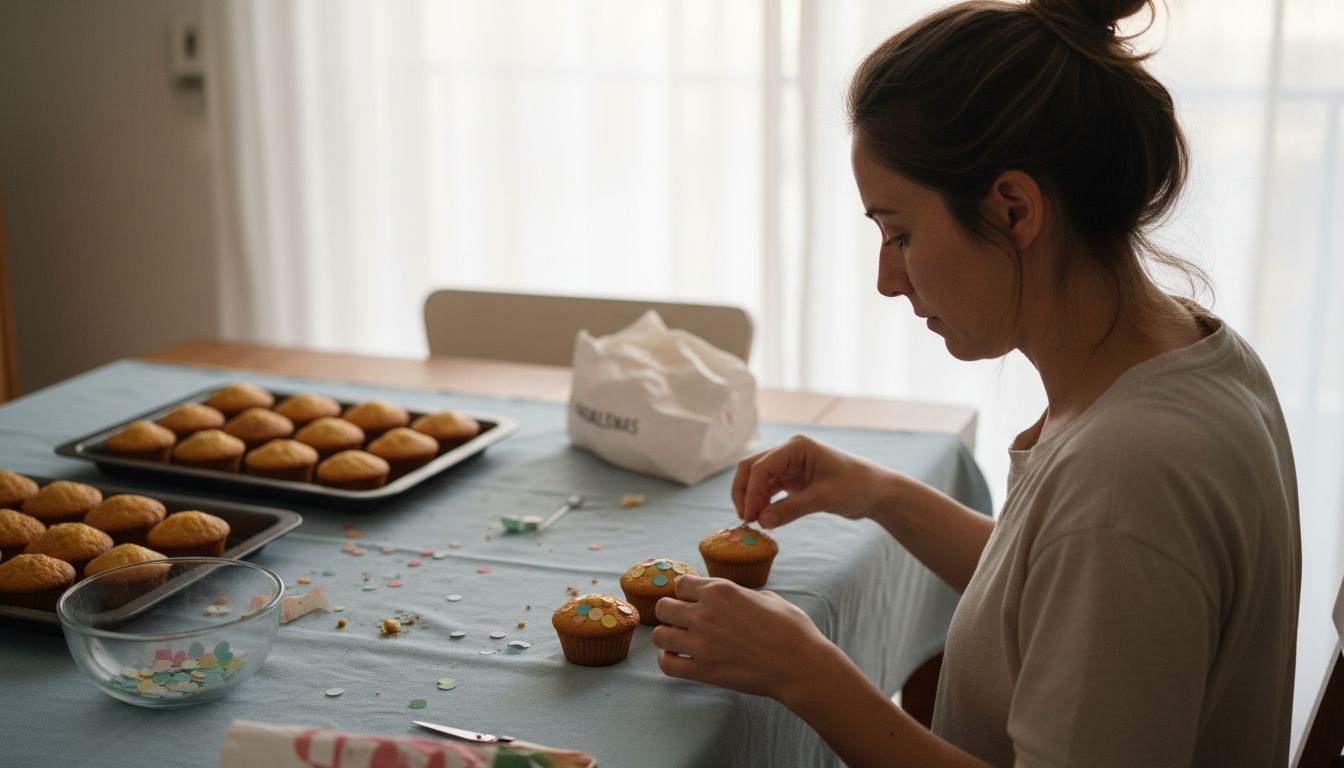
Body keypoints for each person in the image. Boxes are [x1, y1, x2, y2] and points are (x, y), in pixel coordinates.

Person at [650, 0, 1302, 765]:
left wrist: (808, 673)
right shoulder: (1186, 357)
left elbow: (1097, 543)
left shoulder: (1128, 474)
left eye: (900, 234)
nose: (889, 280)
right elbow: (1062, 595)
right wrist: (883, 493)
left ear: (1014, 208)